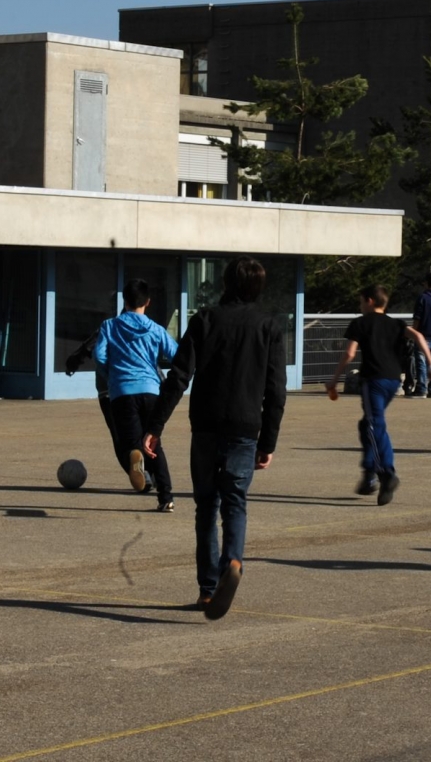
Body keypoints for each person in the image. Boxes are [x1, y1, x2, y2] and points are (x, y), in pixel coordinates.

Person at [144, 256, 288, 620]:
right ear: (258, 288)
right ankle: (233, 561)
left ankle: (208, 591)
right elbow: (276, 390)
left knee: (206, 508)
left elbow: (179, 376)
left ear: (225, 283)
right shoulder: (269, 326)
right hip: (244, 428)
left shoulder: (205, 319)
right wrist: (267, 442)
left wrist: (155, 426)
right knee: (235, 502)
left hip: (206, 427)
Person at [326, 286, 431, 505]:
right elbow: (419, 336)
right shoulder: (395, 323)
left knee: (375, 425)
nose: (360, 305)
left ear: (369, 301)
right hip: (393, 380)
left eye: (360, 301)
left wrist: (334, 380)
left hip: (373, 380)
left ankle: (386, 473)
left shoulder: (360, 323)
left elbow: (349, 353)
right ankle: (369, 474)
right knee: (367, 424)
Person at [93, 278, 179, 513]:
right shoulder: (155, 329)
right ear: (148, 302)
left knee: (129, 441)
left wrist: (113, 374)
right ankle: (166, 497)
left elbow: (99, 356)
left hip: (121, 392)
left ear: (124, 301)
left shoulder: (109, 326)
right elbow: (176, 355)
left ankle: (134, 453)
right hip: (151, 391)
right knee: (153, 444)